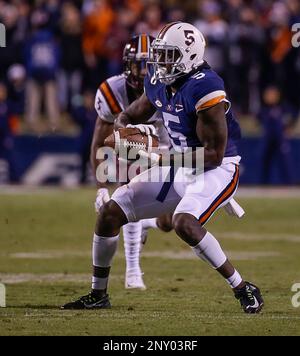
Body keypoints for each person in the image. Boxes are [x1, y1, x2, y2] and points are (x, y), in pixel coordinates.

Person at [62, 23, 263, 314]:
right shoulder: (159, 80)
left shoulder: (206, 86)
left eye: (169, 55)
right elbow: (129, 115)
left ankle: (243, 287)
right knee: (110, 213)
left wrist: (160, 157)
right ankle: (98, 294)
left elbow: (214, 155)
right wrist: (125, 133)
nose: (160, 62)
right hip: (178, 163)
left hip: (216, 169)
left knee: (184, 223)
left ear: (189, 55)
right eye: (160, 54)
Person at [90, 34, 172, 290]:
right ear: (127, 65)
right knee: (131, 186)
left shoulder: (170, 87)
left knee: (171, 223)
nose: (145, 71)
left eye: (150, 64)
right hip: (130, 150)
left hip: (167, 151)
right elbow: (99, 141)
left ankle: (145, 221)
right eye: (140, 64)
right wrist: (102, 186)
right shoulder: (112, 91)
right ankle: (133, 271)